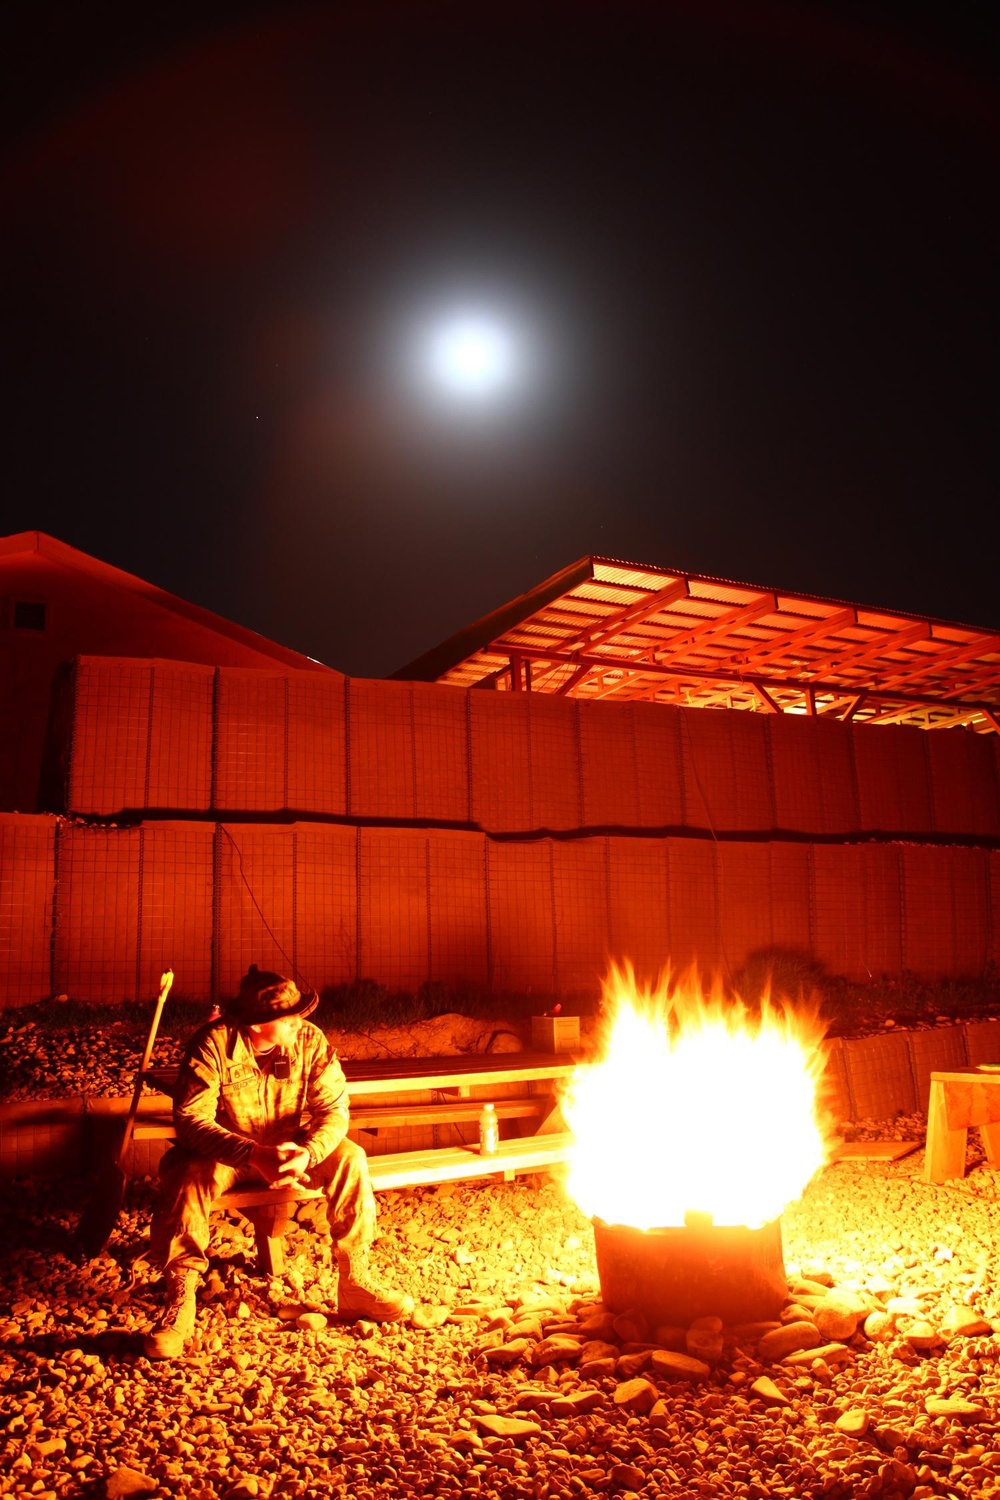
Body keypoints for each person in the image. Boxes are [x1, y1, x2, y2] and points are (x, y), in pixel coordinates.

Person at [144, 965, 413, 1359]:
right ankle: (181, 1298)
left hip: (291, 1146)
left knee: (351, 1157)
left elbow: (335, 1110)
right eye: (286, 1018)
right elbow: (191, 1120)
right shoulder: (213, 1045)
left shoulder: (309, 1040)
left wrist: (308, 1152)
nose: (297, 1023)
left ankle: (355, 1282)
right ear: (255, 1026)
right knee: (186, 1175)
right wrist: (252, 1154)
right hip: (227, 1152)